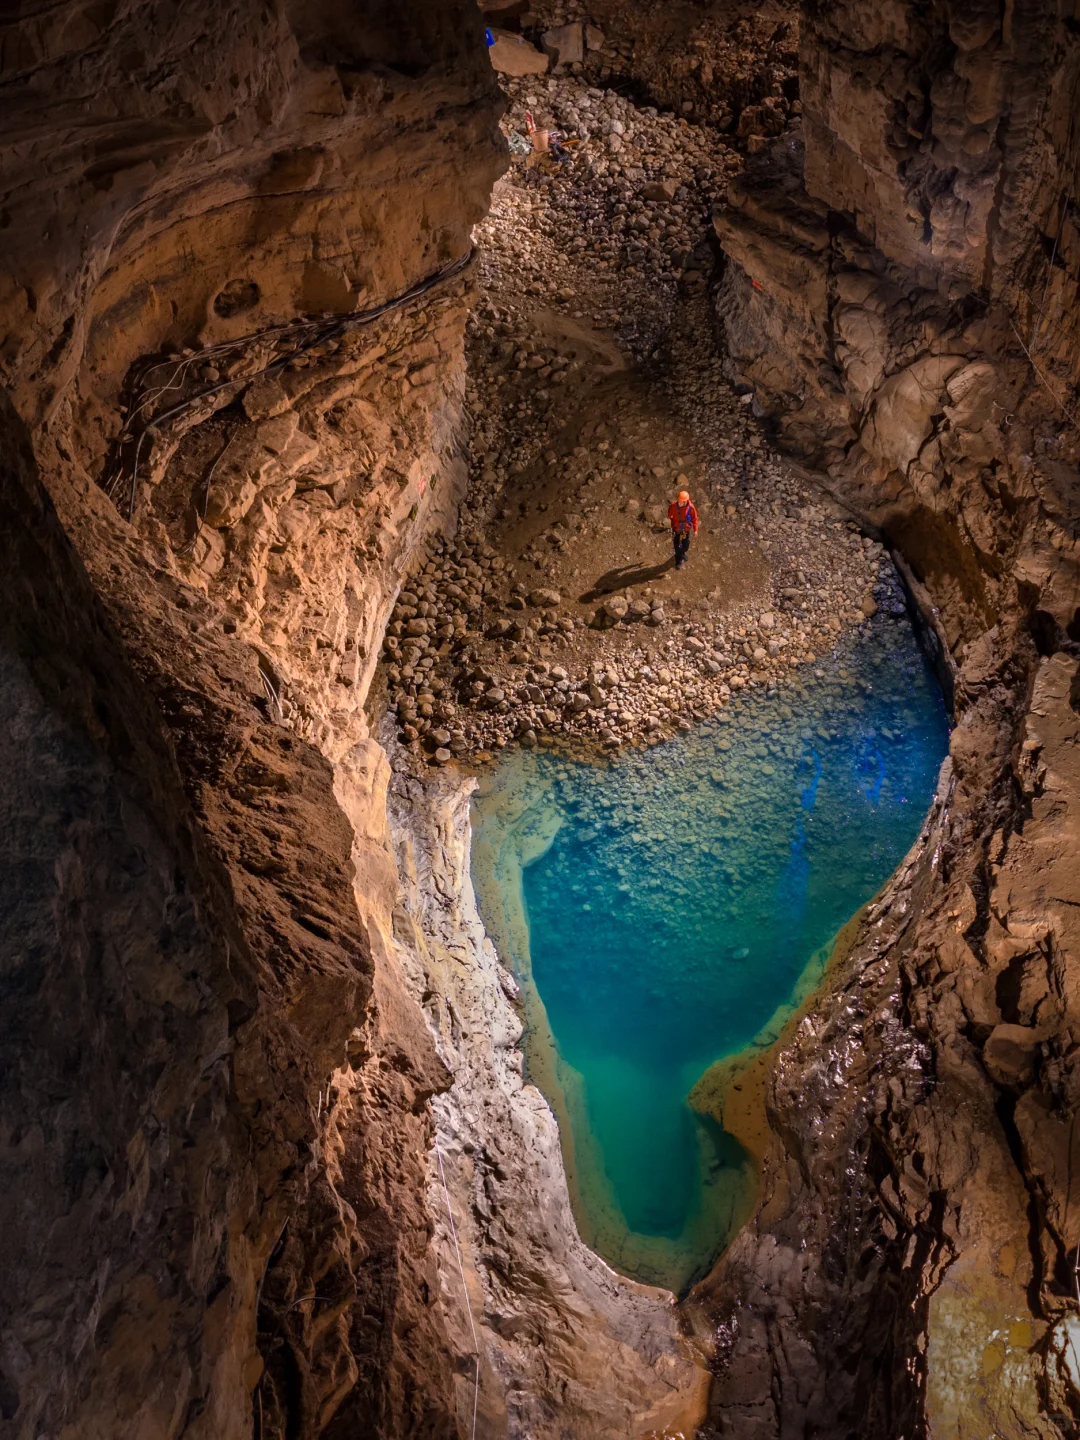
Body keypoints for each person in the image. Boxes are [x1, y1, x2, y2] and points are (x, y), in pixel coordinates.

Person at [668, 489, 699, 569]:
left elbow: (694, 519)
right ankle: (678, 561)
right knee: (678, 547)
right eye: (678, 501)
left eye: (681, 501)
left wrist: (695, 530)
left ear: (686, 501)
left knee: (685, 546)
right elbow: (670, 515)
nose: (679, 503)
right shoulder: (673, 506)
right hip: (677, 530)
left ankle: (682, 554)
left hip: (685, 531)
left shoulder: (691, 508)